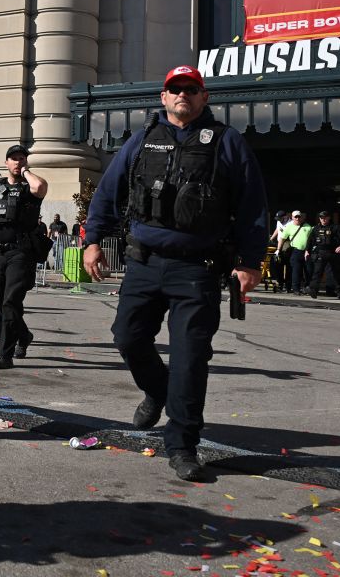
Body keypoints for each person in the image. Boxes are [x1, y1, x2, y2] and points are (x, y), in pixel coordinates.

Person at [83, 64, 266, 482]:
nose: (182, 94)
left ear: (204, 98)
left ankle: (182, 445)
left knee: (189, 360)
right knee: (128, 338)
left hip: (197, 269)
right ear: (163, 98)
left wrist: (249, 262)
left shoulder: (227, 142)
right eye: (174, 89)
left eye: (191, 89)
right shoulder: (142, 139)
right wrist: (93, 240)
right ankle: (157, 391)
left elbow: (253, 206)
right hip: (144, 263)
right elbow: (108, 192)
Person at [0, 145, 48, 367]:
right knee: (1, 307)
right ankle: (25, 335)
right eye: (14, 159)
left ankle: (4, 356)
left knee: (11, 303)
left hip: (19, 253)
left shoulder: (29, 188)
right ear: (6, 162)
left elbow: (40, 186)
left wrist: (26, 172)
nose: (18, 162)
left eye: (22, 158)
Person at [306, 210, 340, 300]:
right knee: (317, 272)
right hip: (320, 253)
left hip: (333, 253)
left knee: (336, 273)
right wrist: (307, 250)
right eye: (321, 218)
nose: (323, 219)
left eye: (325, 217)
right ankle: (313, 290)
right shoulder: (316, 228)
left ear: (329, 218)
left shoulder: (335, 227)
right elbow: (310, 240)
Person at [277, 210, 312, 295]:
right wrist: (278, 249)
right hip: (295, 251)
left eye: (299, 216)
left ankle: (307, 288)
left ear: (302, 217)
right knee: (296, 271)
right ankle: (296, 289)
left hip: (307, 252)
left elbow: (312, 239)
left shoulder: (308, 227)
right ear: (292, 217)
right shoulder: (289, 226)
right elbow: (282, 238)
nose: (297, 218)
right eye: (295, 217)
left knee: (308, 271)